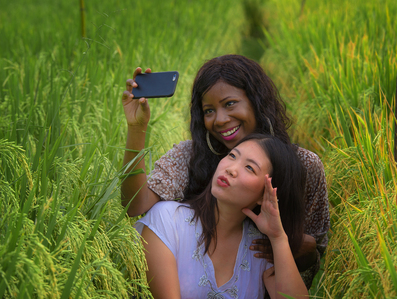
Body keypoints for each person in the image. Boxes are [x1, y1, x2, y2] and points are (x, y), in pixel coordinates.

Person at [121, 54, 329, 288]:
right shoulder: (191, 155)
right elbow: (135, 205)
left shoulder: (304, 165)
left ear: (256, 101)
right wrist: (136, 129)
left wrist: (297, 247)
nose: (219, 119)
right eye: (209, 110)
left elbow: (314, 258)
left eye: (230, 104)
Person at [134, 134, 309, 298]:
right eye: (232, 156)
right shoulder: (167, 219)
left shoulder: (260, 247)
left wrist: (278, 238)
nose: (231, 169)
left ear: (265, 194)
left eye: (249, 168)